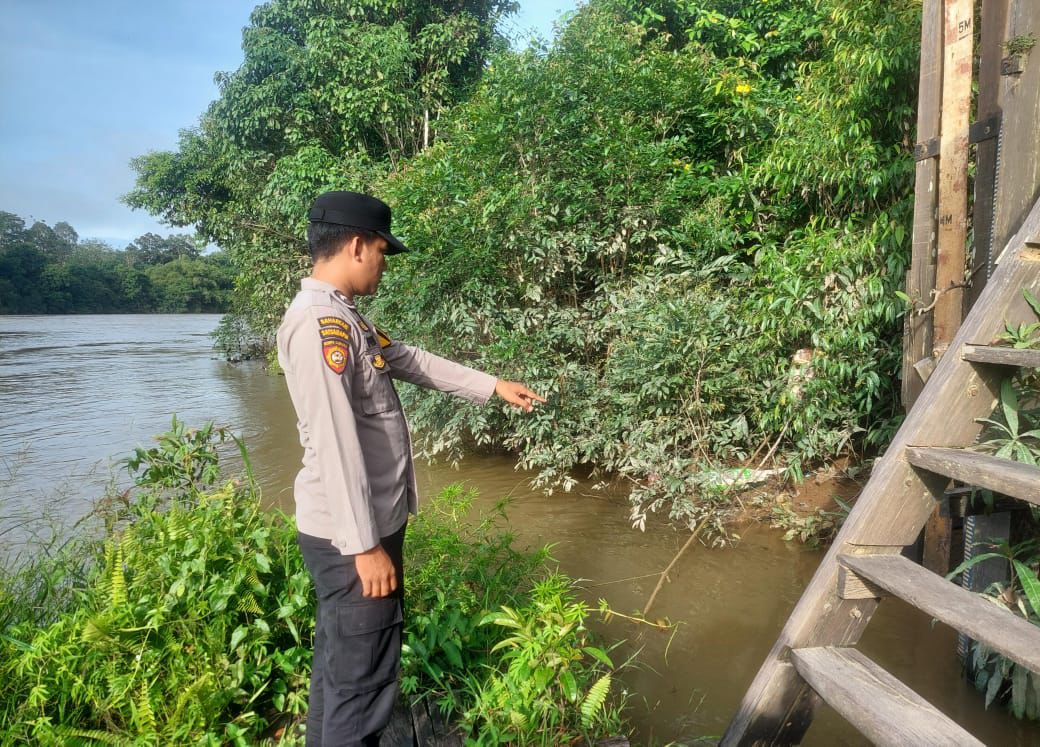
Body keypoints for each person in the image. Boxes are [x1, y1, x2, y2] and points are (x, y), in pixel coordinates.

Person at [277, 191, 545, 746]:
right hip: (353, 537)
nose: (383, 263)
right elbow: (334, 444)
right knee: (362, 683)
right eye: (380, 250)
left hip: (357, 529)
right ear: (355, 245)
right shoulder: (320, 326)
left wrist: (491, 385)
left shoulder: (344, 319)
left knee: (339, 670)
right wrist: (365, 546)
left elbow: (408, 358)